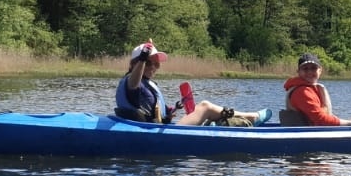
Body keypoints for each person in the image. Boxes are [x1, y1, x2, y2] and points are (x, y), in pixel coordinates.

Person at [114, 42, 269, 126]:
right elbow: (134, 83)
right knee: (205, 106)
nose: (153, 67)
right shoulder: (132, 82)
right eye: (149, 63)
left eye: (157, 64)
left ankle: (215, 125)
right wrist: (143, 58)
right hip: (154, 132)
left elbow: (152, 112)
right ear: (136, 63)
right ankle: (252, 117)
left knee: (204, 108)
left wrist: (170, 111)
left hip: (158, 128)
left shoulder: (147, 84)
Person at [279, 52, 351, 126]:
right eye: (305, 69)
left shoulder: (311, 89)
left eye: (313, 68)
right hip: (306, 137)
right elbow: (321, 120)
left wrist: (346, 121)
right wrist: (350, 123)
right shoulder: (302, 92)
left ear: (320, 70)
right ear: (298, 72)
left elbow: (323, 116)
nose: (310, 72)